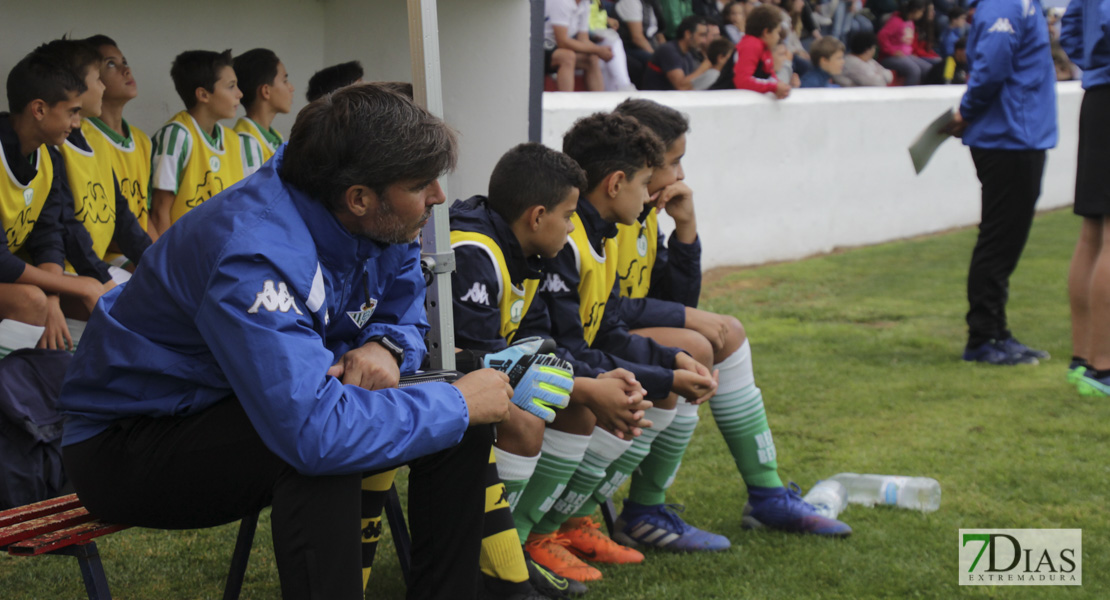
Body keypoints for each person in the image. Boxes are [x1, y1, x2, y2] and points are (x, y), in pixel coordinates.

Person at [58, 84, 517, 600]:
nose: (437, 197)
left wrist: (386, 345)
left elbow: (404, 301)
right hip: (128, 445)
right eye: (421, 184)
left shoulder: (370, 214)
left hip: (235, 404)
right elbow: (312, 433)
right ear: (360, 198)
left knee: (461, 424)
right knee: (321, 451)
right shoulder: (253, 254)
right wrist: (455, 402)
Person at [607, 98, 852, 540]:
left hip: (618, 333)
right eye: (674, 162)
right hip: (588, 342)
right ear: (640, 162)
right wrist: (684, 314)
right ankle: (644, 508)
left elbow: (677, 299)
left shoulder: (643, 215)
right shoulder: (606, 217)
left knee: (729, 332)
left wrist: (686, 230)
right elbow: (606, 308)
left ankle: (768, 494)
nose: (681, 175)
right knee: (695, 347)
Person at [525, 111, 726, 565]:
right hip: (533, 373)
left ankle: (564, 527)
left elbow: (610, 327)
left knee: (651, 385)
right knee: (625, 395)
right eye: (643, 182)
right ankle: (538, 536)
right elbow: (569, 349)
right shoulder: (569, 241)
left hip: (566, 365)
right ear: (616, 184)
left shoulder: (602, 233)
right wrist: (661, 377)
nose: (652, 190)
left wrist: (670, 362)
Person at [450, 143, 651, 590]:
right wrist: (586, 387)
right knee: (526, 424)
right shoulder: (473, 253)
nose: (573, 226)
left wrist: (594, 382)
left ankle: (520, 545)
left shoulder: (525, 253)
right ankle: (489, 565)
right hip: (442, 390)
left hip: (482, 379)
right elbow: (477, 367)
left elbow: (540, 345)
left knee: (577, 405)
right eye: (568, 214)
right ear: (537, 216)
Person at [945, 0, 1057, 365]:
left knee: (1005, 240)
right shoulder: (1006, 5)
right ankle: (983, 337)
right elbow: (992, 67)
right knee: (999, 240)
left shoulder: (1017, 4)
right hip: (1008, 136)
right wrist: (968, 110)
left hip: (1017, 134)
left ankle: (996, 330)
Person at [1, 46, 111, 337]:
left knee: (95, 300)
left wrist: (54, 298)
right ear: (39, 109)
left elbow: (48, 236)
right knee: (31, 301)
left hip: (11, 275)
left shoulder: (48, 156)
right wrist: (71, 286)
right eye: (72, 112)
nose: (77, 123)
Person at [52, 40, 150, 283]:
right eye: (98, 78)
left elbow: (122, 214)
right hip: (66, 268)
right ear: (77, 85)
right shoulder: (53, 145)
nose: (103, 87)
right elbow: (65, 228)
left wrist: (156, 259)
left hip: (89, 266)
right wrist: (101, 277)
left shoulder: (96, 137)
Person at [147, 50, 263, 237]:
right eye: (231, 86)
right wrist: (166, 265)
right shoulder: (177, 135)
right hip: (181, 253)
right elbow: (160, 213)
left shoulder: (234, 140)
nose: (239, 94)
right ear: (203, 94)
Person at [1061, 0, 1110, 393]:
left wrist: (1095, 62)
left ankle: (1083, 359)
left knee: (1092, 232)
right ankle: (1103, 368)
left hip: (1098, 94)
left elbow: (1073, 29)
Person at [83, 35, 153, 241]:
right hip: (104, 256)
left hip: (136, 252)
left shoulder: (142, 141)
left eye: (125, 62)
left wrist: (161, 257)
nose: (126, 70)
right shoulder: (80, 138)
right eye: (111, 64)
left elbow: (145, 216)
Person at [713, 4, 792, 98]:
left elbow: (770, 77)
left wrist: (781, 86)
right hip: (723, 100)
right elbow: (742, 81)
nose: (778, 37)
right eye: (777, 32)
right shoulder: (751, 45)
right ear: (766, 32)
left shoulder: (765, 49)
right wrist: (774, 87)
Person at [233, 48, 295, 163]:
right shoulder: (246, 141)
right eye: (285, 80)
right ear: (266, 91)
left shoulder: (276, 138)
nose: (291, 88)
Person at [545, 0, 611, 91]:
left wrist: (599, 51)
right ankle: (566, 103)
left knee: (592, 58)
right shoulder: (561, 2)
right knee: (567, 56)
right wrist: (598, 50)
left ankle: (599, 103)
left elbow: (583, 39)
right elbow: (562, 41)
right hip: (539, 46)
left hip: (556, 48)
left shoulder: (585, 3)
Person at [641, 15, 713, 90]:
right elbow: (680, 86)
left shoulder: (688, 54)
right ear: (688, 34)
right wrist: (705, 66)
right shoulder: (669, 51)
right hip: (657, 99)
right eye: (701, 35)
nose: (704, 41)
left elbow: (690, 85)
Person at [877, 0, 932, 84]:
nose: (922, 14)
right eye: (921, 12)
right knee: (914, 70)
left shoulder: (910, 22)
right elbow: (881, 36)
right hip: (889, 57)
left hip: (906, 55)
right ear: (915, 11)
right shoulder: (896, 21)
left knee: (927, 68)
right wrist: (892, 51)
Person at [615, 0, 669, 86]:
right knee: (657, 63)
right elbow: (637, 38)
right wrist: (657, 56)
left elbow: (659, 34)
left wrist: (667, 51)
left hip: (651, 42)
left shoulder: (652, 3)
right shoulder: (631, 2)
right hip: (631, 46)